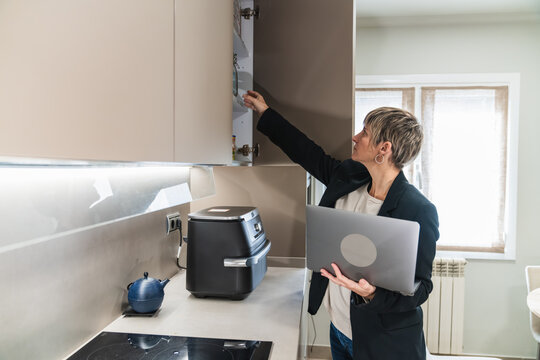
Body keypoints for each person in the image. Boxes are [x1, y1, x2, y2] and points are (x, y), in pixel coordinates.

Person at [243, 90, 439, 360]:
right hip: (339, 330)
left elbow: (421, 288)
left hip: (383, 343)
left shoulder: (418, 210)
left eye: (365, 132)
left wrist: (372, 294)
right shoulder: (350, 176)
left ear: (384, 149)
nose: (355, 137)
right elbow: (306, 152)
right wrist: (265, 112)